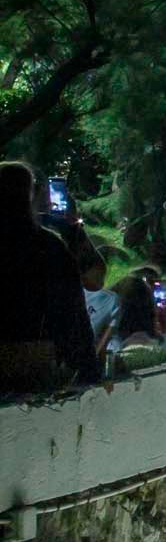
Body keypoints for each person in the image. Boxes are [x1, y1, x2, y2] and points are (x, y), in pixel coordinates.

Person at [0, 163, 106, 394]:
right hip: (38, 364)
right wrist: (88, 370)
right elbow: (76, 308)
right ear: (30, 196)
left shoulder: (48, 245)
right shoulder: (48, 246)